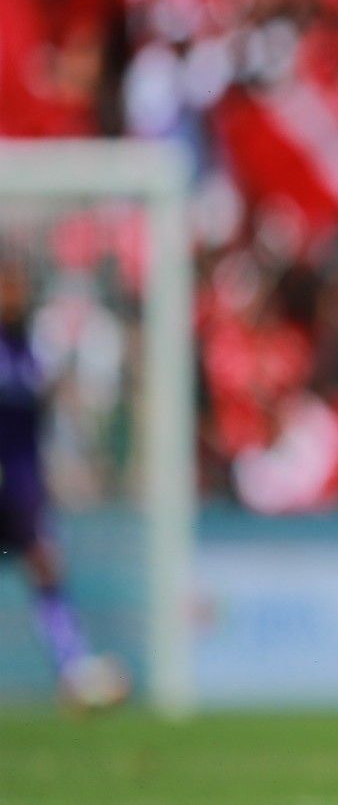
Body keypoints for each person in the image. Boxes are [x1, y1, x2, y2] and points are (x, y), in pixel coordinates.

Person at [0, 257, 128, 710]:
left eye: (16, 287)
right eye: (6, 287)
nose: (13, 296)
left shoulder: (28, 347)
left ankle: (73, 669)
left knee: (47, 567)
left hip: (23, 487)